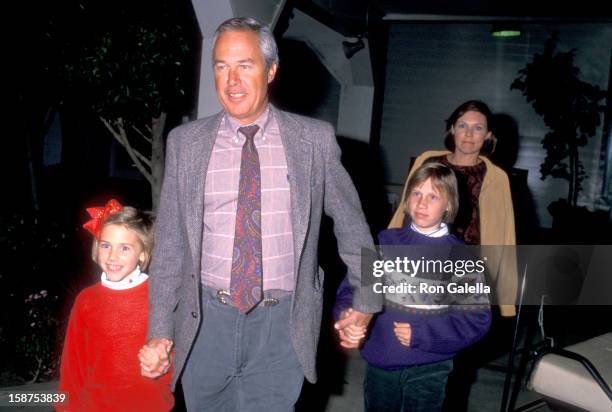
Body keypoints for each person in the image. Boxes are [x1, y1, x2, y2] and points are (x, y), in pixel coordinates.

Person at [139, 17, 381, 411]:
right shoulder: (186, 143)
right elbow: (168, 245)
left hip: (281, 324)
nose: (231, 80)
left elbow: (354, 228)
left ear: (270, 70)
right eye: (221, 66)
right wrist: (160, 330)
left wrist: (367, 302)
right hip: (205, 323)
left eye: (245, 65)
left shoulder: (312, 141)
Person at [335, 162, 492, 412]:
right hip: (380, 360)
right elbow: (350, 290)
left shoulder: (461, 258)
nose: (422, 203)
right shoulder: (383, 242)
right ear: (406, 199)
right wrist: (348, 315)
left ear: (449, 205)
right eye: (416, 193)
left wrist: (425, 334)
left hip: (430, 366)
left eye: (433, 196)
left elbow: (476, 320)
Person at [388, 100, 517, 316]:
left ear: (488, 135)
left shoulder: (497, 177)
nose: (469, 134)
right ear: (452, 129)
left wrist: (505, 297)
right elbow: (404, 211)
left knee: (454, 332)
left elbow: (505, 235)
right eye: (462, 125)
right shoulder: (428, 160)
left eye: (478, 128)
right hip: (421, 259)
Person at [57, 199, 174, 412]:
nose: (112, 256)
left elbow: (176, 351)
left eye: (125, 248)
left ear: (142, 253)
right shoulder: (86, 300)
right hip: (95, 406)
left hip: (149, 405)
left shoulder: (159, 295)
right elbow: (73, 363)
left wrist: (164, 363)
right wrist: (68, 406)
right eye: (106, 245)